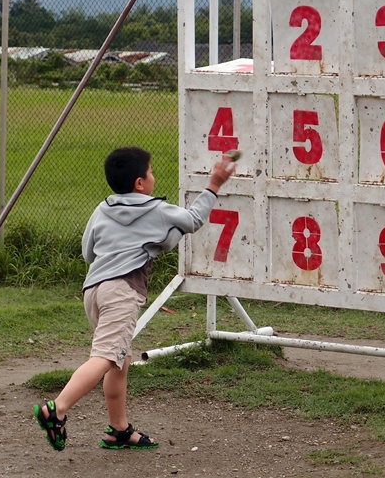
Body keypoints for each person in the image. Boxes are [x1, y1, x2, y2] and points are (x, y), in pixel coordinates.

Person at [34, 146, 236, 451]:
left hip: (94, 290)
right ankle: (57, 409)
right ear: (140, 184)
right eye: (151, 171)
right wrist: (214, 185)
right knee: (104, 357)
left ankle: (119, 430)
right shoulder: (155, 209)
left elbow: (88, 252)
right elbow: (193, 220)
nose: (154, 175)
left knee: (119, 361)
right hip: (121, 291)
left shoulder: (102, 209)